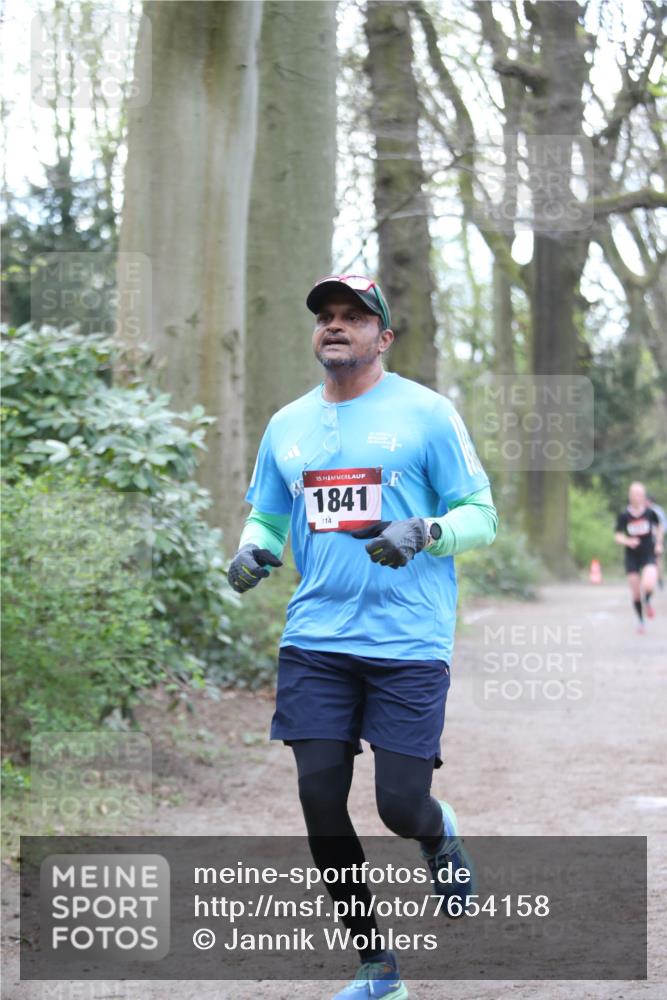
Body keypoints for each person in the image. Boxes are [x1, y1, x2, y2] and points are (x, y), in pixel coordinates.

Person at [228, 274, 498, 1000]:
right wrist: (252, 549)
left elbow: (482, 514)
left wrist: (425, 531)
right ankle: (378, 968)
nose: (335, 325)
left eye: (354, 316)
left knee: (399, 806)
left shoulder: (427, 413)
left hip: (407, 641)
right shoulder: (287, 425)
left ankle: (437, 832)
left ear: (384, 336)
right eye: (326, 316)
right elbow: (268, 517)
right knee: (320, 804)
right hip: (315, 638)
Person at [614, 482, 663, 633]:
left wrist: (658, 544)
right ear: (630, 496)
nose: (637, 497)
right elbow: (617, 536)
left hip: (648, 554)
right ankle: (641, 621)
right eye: (634, 494)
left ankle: (647, 600)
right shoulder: (624, 515)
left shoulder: (650, 513)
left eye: (640, 494)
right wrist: (628, 541)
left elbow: (659, 527)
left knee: (648, 584)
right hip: (632, 556)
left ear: (644, 496)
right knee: (635, 592)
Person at [647, 494, 667, 589]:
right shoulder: (643, 510)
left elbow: (664, 526)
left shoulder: (657, 511)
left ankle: (660, 580)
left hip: (657, 539)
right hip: (646, 540)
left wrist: (659, 540)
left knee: (658, 560)